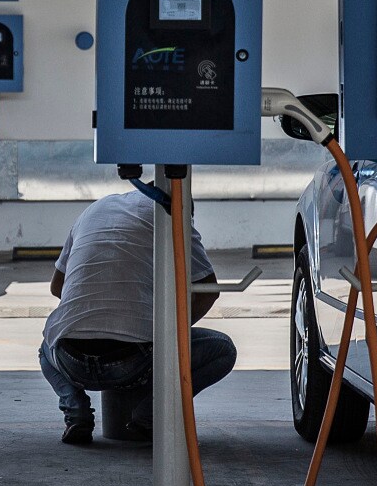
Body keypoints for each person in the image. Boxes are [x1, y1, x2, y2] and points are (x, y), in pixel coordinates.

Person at [39, 186, 237, 445]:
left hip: (70, 358)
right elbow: (208, 290)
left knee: (47, 346)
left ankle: (76, 411)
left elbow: (57, 287)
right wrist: (168, 332)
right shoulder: (170, 212)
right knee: (222, 349)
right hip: (134, 361)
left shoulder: (95, 209)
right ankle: (150, 416)